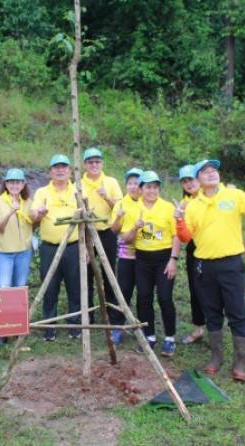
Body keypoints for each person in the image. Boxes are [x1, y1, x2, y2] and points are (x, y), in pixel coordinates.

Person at [176, 159, 245, 382]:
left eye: (214, 170)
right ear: (198, 180)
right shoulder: (192, 205)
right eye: (205, 171)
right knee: (212, 312)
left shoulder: (233, 195)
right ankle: (216, 357)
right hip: (204, 266)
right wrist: (179, 219)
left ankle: (240, 361)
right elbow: (186, 237)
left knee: (237, 312)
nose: (211, 173)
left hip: (231, 265)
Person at [120, 170, 180, 357]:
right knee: (144, 297)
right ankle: (149, 336)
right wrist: (135, 227)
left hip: (164, 258)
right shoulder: (134, 209)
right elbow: (126, 239)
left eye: (155, 187)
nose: (152, 191)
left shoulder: (167, 207)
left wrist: (173, 260)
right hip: (142, 259)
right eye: (148, 187)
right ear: (141, 189)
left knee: (164, 297)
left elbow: (176, 235)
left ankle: (170, 338)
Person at [31, 154, 81, 341]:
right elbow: (33, 215)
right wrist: (39, 213)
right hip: (49, 248)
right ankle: (49, 327)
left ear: (70, 171)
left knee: (75, 287)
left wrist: (87, 247)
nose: (60, 170)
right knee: (49, 287)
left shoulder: (77, 191)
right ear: (50, 172)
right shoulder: (42, 192)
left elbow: (86, 218)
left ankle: (75, 325)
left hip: (73, 247)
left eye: (64, 167)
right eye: (56, 167)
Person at [81, 147, 123, 323]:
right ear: (84, 165)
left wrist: (107, 197)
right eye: (90, 162)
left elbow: (120, 209)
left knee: (109, 271)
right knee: (87, 272)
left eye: (97, 161)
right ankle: (88, 313)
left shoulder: (111, 182)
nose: (94, 165)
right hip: (86, 233)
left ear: (102, 163)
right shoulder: (78, 184)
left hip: (107, 232)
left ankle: (111, 312)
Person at [108, 167, 143, 345]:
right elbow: (114, 230)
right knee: (123, 291)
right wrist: (118, 218)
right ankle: (117, 327)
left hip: (146, 256)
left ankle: (144, 328)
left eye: (136, 183)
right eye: (130, 183)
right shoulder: (121, 204)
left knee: (144, 293)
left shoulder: (149, 203)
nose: (133, 186)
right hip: (126, 256)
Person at [176, 164, 206, 344]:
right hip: (194, 249)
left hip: (214, 248)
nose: (189, 183)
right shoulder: (184, 204)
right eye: (185, 181)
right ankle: (198, 327)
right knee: (195, 288)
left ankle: (216, 326)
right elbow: (180, 234)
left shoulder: (212, 196)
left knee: (214, 289)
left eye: (192, 179)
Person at [0, 168, 33, 288]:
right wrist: (10, 212)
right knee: (4, 289)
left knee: (20, 288)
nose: (14, 185)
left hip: (24, 253)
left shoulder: (28, 202)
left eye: (18, 182)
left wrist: (40, 215)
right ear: (6, 184)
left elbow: (33, 224)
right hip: (4, 254)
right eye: (11, 182)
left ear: (23, 184)